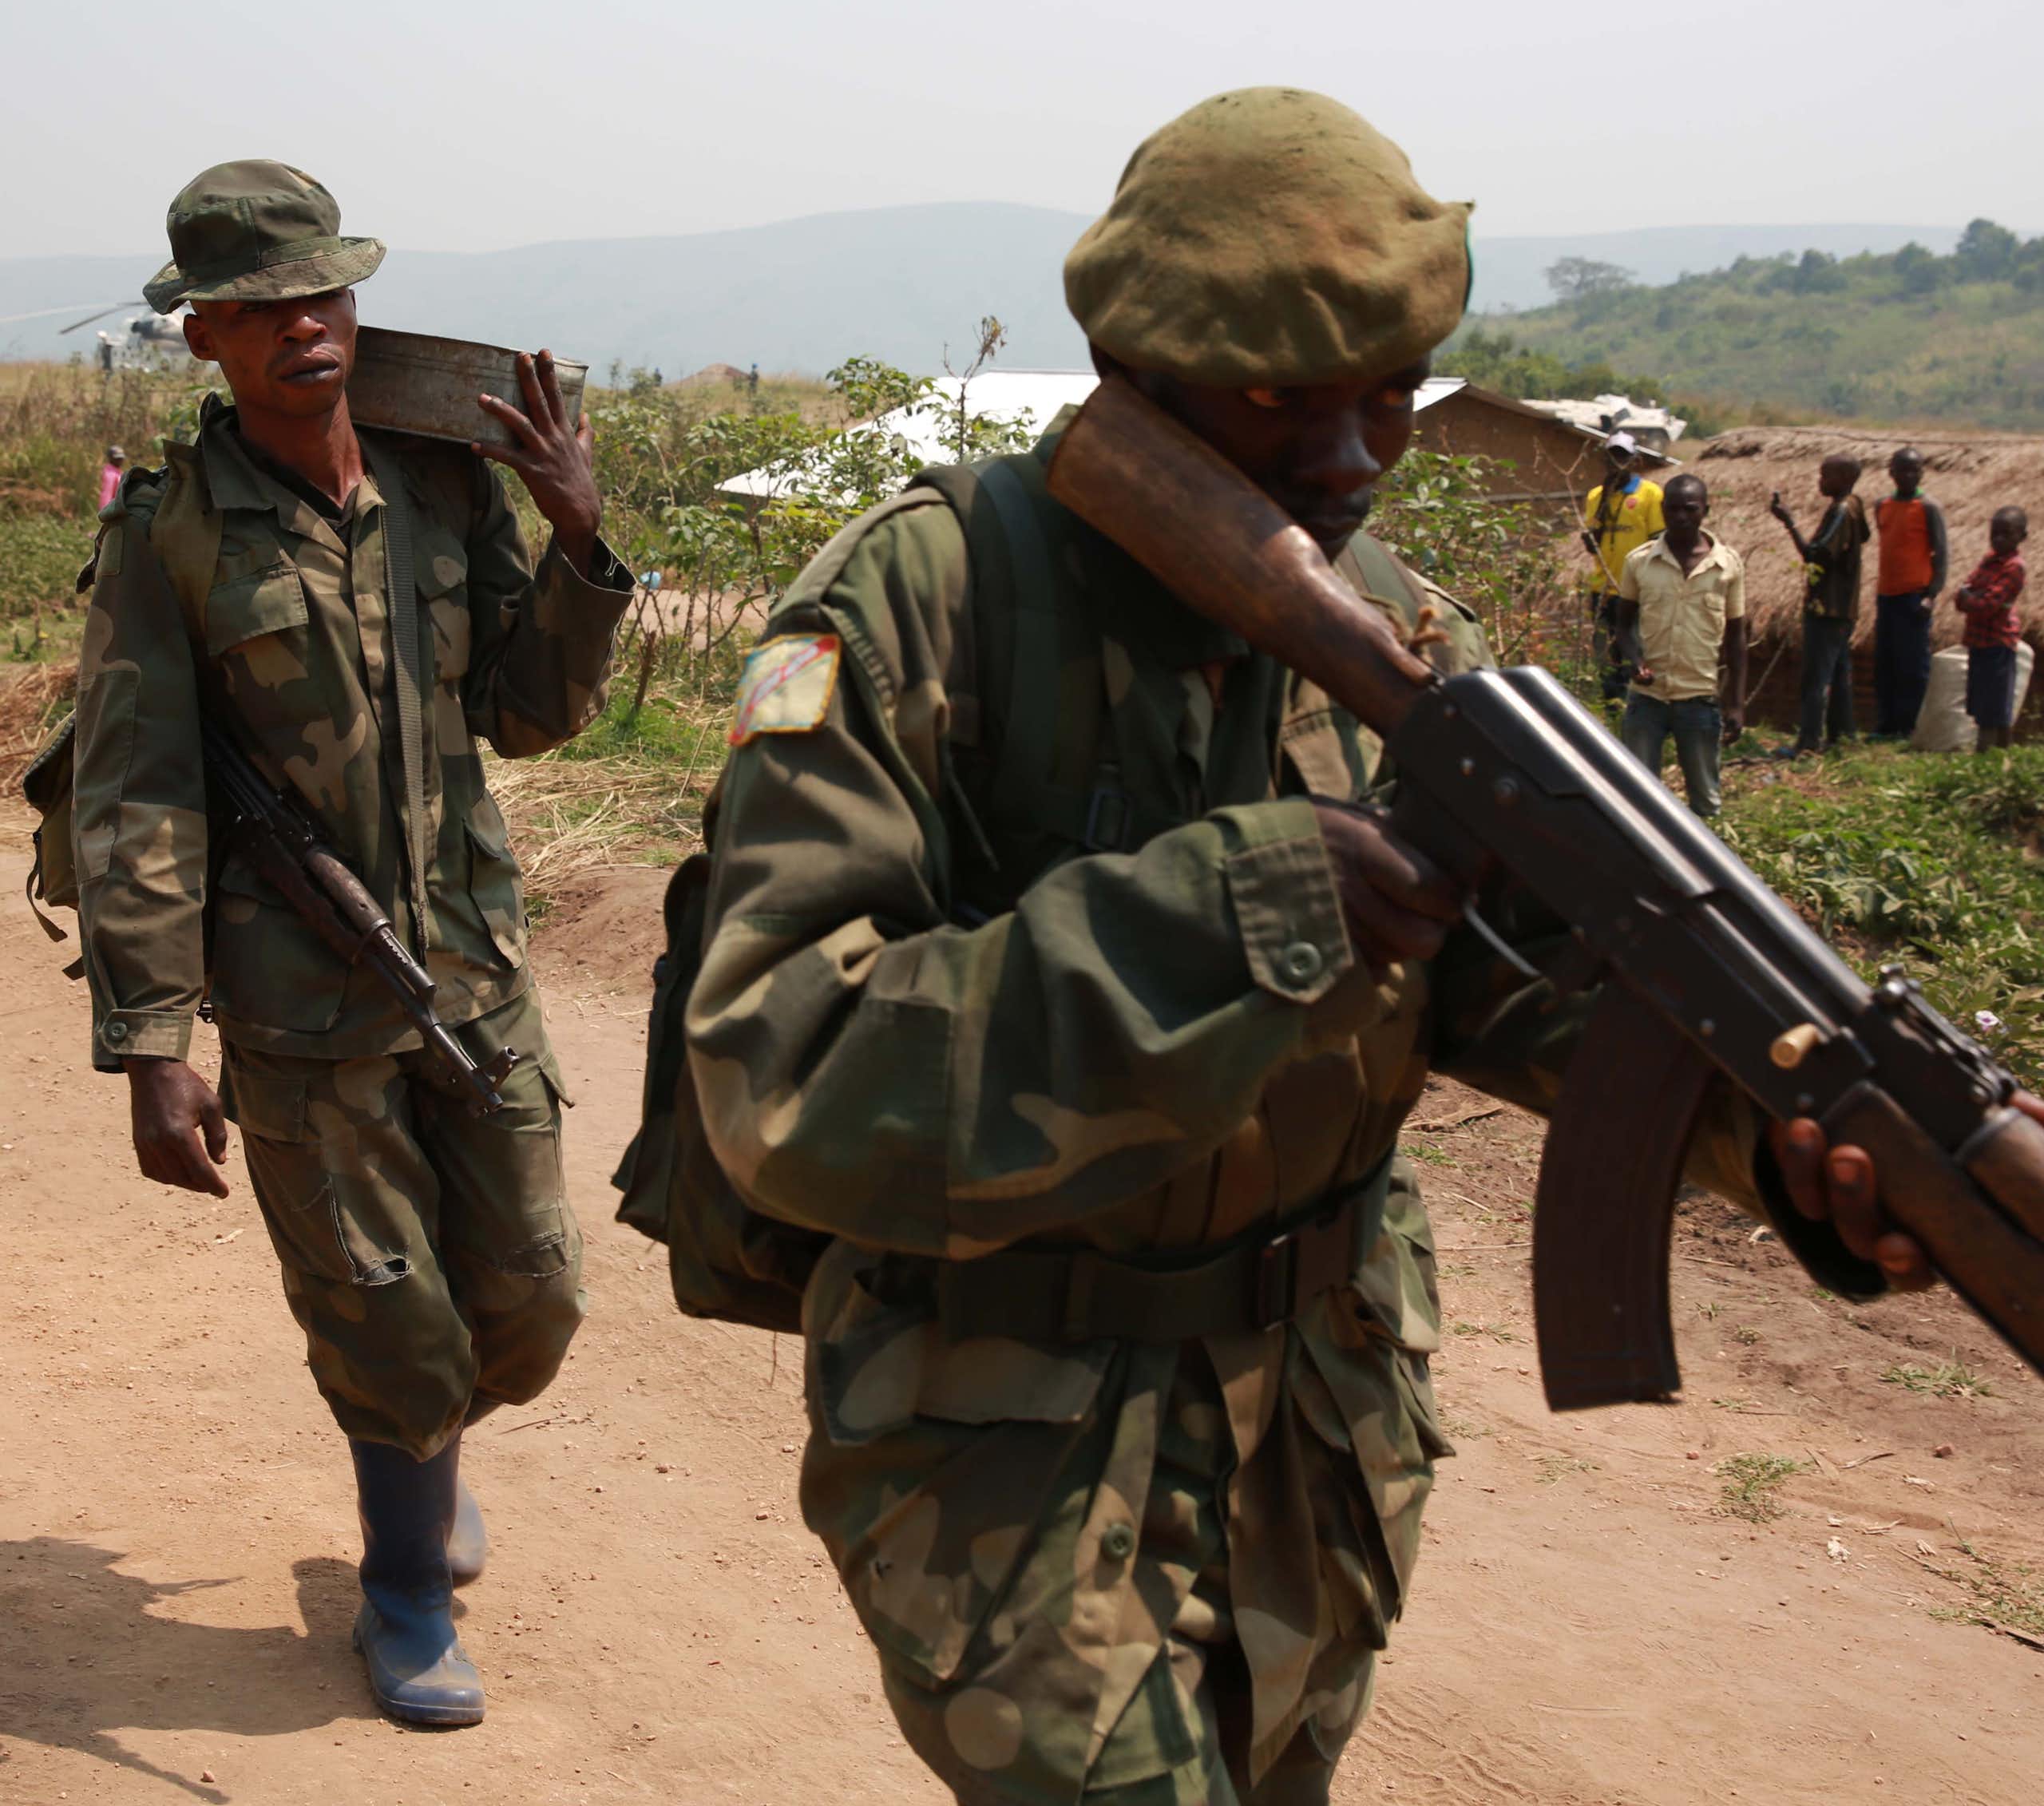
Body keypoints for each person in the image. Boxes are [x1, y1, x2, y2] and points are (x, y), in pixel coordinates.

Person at [685, 90, 1939, 1806]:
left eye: (1383, 398)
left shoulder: (1397, 628)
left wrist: (1800, 1147)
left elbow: (1535, 986)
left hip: (1321, 1413)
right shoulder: (920, 600)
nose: (1348, 457)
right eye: (1280, 400)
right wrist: (1243, 906)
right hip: (1005, 1420)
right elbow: (785, 1071)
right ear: (1131, 367)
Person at [72, 160, 635, 1728]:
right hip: (297, 1001)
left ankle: (428, 1443)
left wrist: (580, 539)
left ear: (355, 303)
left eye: (321, 293)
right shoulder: (175, 534)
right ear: (207, 339)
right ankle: (399, 1582)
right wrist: (154, 1041)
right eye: (257, 308)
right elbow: (140, 787)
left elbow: (529, 708)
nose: (300, 326)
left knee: (529, 1302)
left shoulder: (444, 486)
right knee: (387, 1313)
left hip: (473, 964)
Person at [1612, 472, 1746, 816]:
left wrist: (1735, 704)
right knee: (1637, 798)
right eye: (1673, 510)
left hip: (1699, 697)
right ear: (1662, 510)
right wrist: (1634, 659)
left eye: (1690, 509)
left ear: (1706, 510)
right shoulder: (1640, 562)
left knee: (1706, 801)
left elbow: (1736, 638)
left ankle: (1705, 867)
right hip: (1647, 698)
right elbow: (1623, 625)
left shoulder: (1727, 566)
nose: (1681, 517)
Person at [1769, 455, 1868, 755]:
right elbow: (1863, 536)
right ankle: (1843, 735)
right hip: (1843, 607)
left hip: (1828, 606)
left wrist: (1789, 523)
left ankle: (1808, 741)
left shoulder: (1840, 510)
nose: (1820, 482)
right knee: (1838, 673)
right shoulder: (1855, 505)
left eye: (1826, 476)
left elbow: (1815, 554)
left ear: (1843, 477)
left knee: (1816, 677)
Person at [1579, 435, 1663, 701]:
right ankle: (1611, 710)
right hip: (1603, 588)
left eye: (1622, 456)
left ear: (1634, 459)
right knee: (1605, 656)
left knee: (1634, 653)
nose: (1617, 462)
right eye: (1612, 456)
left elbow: (1657, 541)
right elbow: (1595, 546)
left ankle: (1634, 706)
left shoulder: (1649, 493)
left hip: (1635, 589)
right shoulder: (1595, 496)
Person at [1871, 447, 1947, 738]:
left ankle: (1909, 727)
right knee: (1886, 663)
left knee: (1912, 666)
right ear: (1891, 472)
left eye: (1914, 470)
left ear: (1922, 473)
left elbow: (1941, 554)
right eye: (1903, 470)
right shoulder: (1883, 505)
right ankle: (1886, 725)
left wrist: (1932, 594)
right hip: (1887, 594)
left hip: (1914, 596)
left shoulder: (1929, 507)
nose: (1908, 475)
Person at [1955, 505, 2029, 751]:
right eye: (1994, 533)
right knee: (1981, 700)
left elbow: (1989, 604)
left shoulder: (2014, 567)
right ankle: (1992, 756)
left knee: (1995, 703)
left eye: (2006, 534)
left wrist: (1971, 598)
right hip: (1978, 640)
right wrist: (1971, 597)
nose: (1998, 539)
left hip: (1998, 640)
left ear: (2021, 536)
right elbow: (1964, 591)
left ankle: (1989, 756)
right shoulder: (1988, 561)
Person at [97, 443, 126, 513]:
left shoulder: (117, 472)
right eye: (117, 458)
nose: (119, 460)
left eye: (121, 458)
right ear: (111, 458)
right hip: (112, 511)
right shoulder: (110, 474)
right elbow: (107, 495)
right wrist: (105, 512)